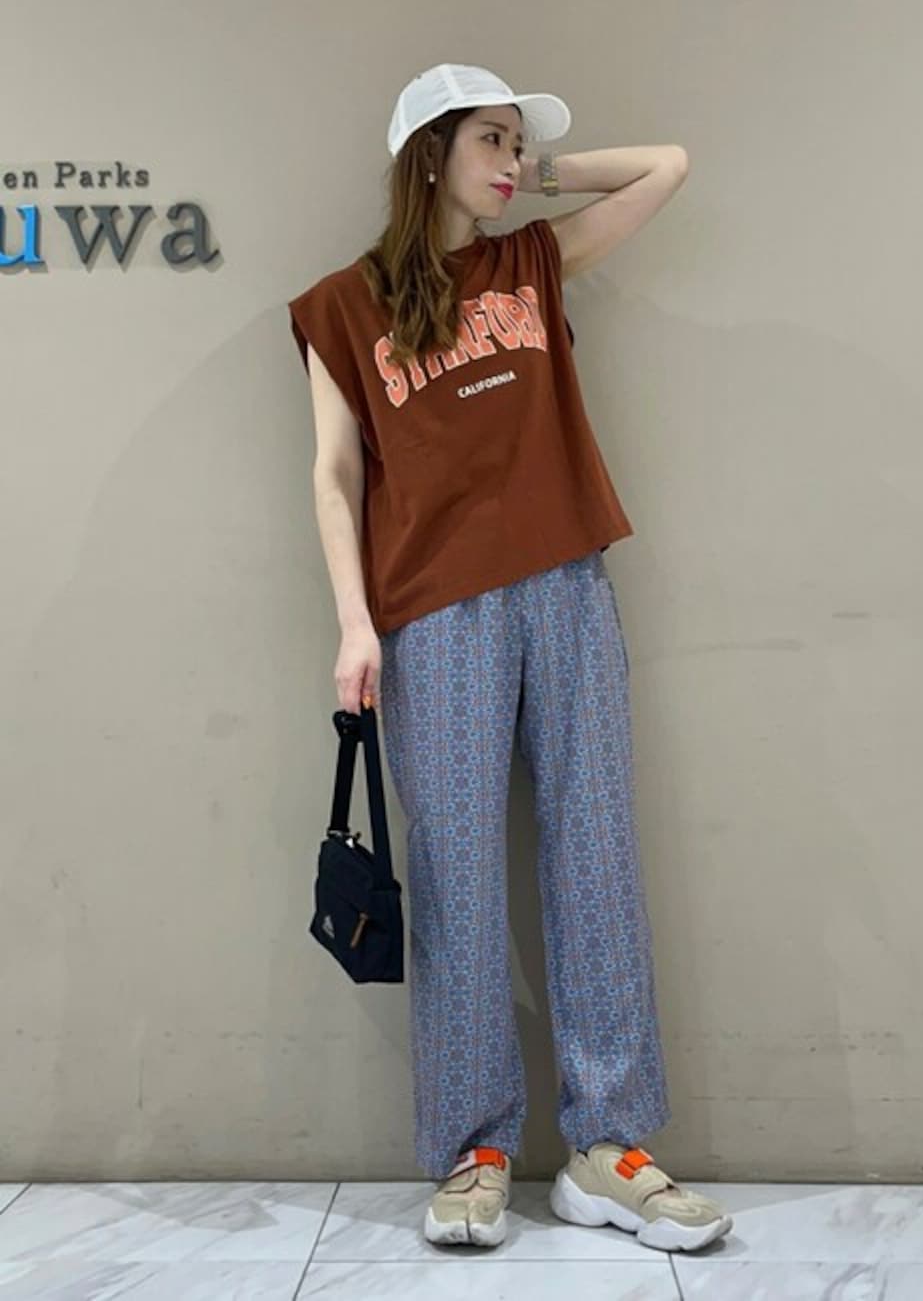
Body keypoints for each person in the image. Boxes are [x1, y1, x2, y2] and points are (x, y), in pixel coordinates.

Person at [288, 62, 731, 1253]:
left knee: (595, 854)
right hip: (434, 613)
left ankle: (607, 1146)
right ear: (428, 151)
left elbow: (667, 167)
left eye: (517, 143)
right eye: (490, 139)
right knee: (457, 876)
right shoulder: (341, 307)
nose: (512, 159)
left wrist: (537, 174)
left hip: (566, 584)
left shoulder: (529, 260)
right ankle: (474, 1145)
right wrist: (352, 621)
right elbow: (334, 473)